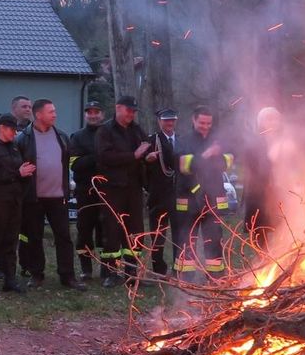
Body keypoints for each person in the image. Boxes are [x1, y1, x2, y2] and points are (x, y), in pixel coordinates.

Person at [15, 98, 85, 290]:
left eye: (55, 111)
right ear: (38, 115)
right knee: (34, 236)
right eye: (50, 112)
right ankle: (37, 274)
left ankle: (67, 276)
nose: (55, 115)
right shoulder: (24, 138)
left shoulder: (61, 136)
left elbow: (66, 162)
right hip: (33, 197)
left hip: (58, 196)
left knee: (64, 237)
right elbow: (16, 166)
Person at [95, 95, 151, 286]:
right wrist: (133, 155)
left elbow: (143, 151)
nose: (131, 115)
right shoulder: (105, 131)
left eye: (134, 111)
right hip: (113, 188)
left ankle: (132, 273)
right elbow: (104, 157)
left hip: (134, 188)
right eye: (128, 110)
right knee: (112, 230)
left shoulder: (137, 130)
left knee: (135, 231)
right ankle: (111, 273)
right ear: (118, 108)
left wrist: (147, 157)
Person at [173, 106, 233, 279]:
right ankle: (186, 279)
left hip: (213, 198)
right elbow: (185, 166)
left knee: (214, 239)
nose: (205, 126)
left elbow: (229, 161)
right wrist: (208, 155)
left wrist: (213, 159)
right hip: (188, 198)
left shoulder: (219, 140)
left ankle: (216, 278)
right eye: (202, 122)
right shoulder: (183, 140)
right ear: (194, 120)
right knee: (186, 239)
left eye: (209, 123)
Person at [0, 114, 33, 294]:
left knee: (11, 240)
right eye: (11, 129)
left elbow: (19, 170)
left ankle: (10, 279)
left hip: (14, 199)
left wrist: (24, 177)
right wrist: (18, 173)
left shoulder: (14, 147)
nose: (14, 132)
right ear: (1, 127)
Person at [68, 100, 105, 281]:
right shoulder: (77, 137)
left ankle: (108, 270)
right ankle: (86, 268)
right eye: (89, 112)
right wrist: (97, 157)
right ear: (85, 115)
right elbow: (75, 164)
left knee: (107, 231)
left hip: (107, 191)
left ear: (102, 115)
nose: (93, 115)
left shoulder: (109, 133)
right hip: (85, 191)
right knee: (84, 231)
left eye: (96, 112)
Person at [241, 106, 280, 251]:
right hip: (258, 196)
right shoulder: (254, 143)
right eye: (269, 119)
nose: (273, 123)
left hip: (280, 195)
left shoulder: (283, 140)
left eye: (276, 119)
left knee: (283, 229)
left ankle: (282, 259)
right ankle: (265, 265)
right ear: (260, 122)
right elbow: (253, 169)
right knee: (260, 233)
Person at [146, 108, 179, 275]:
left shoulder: (182, 141)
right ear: (160, 121)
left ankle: (179, 268)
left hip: (179, 196)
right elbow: (143, 170)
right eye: (166, 120)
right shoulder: (152, 141)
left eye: (172, 120)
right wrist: (150, 188)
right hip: (158, 197)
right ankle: (158, 269)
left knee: (180, 235)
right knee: (157, 236)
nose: (170, 123)